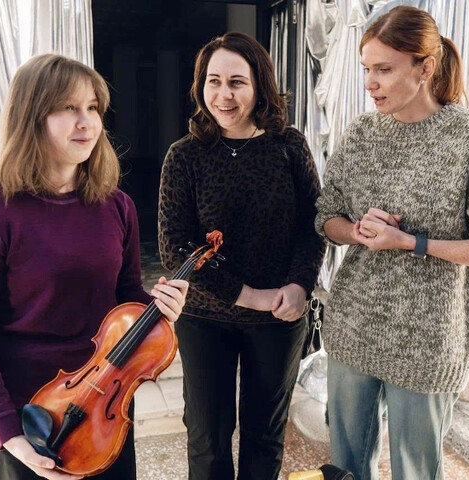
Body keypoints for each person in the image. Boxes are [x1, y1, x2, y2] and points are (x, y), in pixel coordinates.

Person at [314, 6, 469, 480]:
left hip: (428, 341)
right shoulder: (361, 134)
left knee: (416, 471)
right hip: (353, 326)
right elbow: (326, 217)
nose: (370, 83)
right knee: (345, 468)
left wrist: (409, 242)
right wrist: (355, 231)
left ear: (425, 68)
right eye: (366, 69)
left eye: (384, 69)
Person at [0, 53, 189, 480]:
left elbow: (126, 297)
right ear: (32, 117)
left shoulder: (117, 206)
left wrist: (160, 311)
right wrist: (11, 437)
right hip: (27, 420)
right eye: (68, 107)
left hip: (106, 413)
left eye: (93, 108)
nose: (87, 122)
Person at [158, 31, 326, 480]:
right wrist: (249, 295)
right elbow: (175, 246)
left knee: (265, 435)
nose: (223, 95)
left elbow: (312, 224)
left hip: (278, 316)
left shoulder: (289, 146)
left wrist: (300, 285)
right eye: (213, 82)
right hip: (204, 317)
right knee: (207, 437)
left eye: (237, 82)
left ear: (259, 86)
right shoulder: (184, 156)